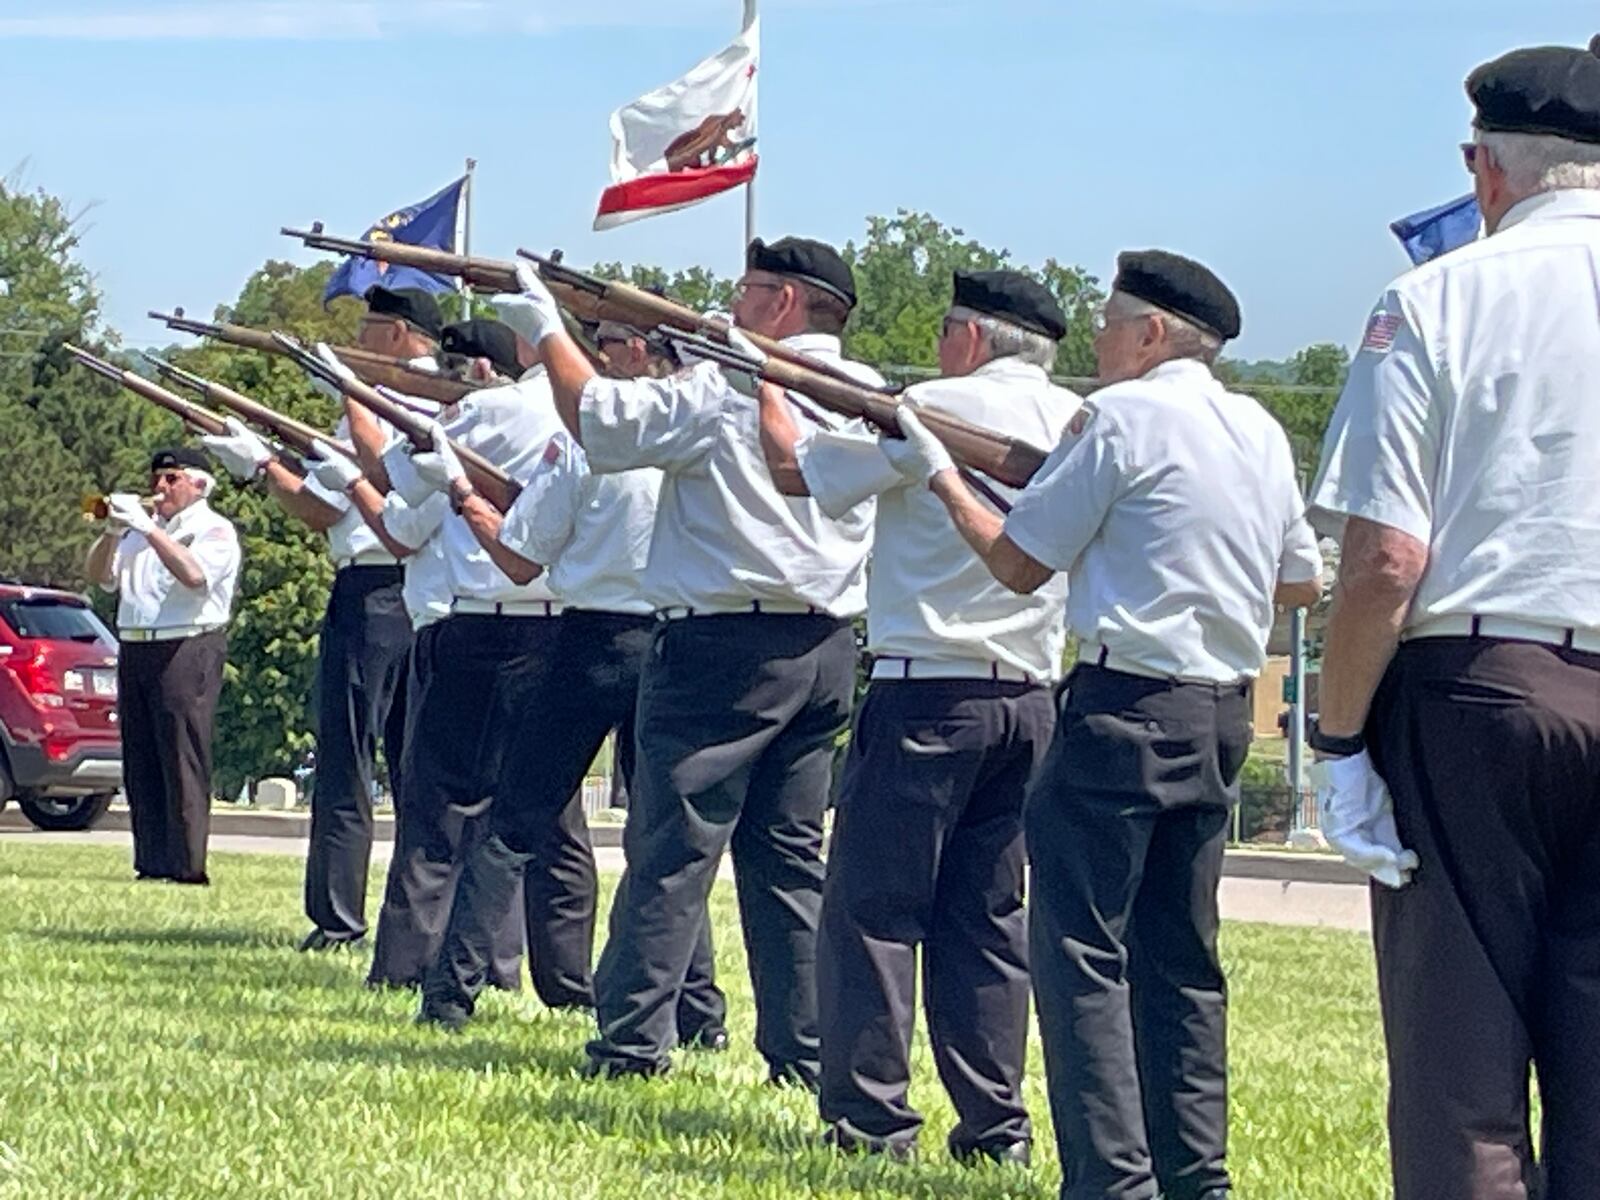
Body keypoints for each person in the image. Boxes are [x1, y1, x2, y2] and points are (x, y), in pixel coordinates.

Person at [892, 251, 1322, 1199]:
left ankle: (1110, 1181)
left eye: (1110, 324)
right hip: (1218, 713)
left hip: (1122, 704)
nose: (1096, 340)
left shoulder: (1120, 417)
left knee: (1083, 953)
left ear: (1153, 332)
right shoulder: (1258, 429)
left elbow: (1017, 565)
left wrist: (939, 474)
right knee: (1184, 961)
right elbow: (1300, 579)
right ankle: (1193, 1175)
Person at [1307, 38, 1600, 1200]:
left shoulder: (1438, 296)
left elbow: (1384, 557)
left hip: (1481, 681)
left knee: (1458, 1064)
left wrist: (1335, 745)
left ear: (1484, 170)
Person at [513, 237, 879, 1083]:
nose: (733, 300)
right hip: (824, 645)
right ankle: (802, 1050)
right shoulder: (867, 395)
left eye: (748, 289)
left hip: (720, 643)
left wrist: (545, 324)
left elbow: (600, 423)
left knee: (672, 848)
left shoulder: (723, 386)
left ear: (785, 301)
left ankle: (633, 1039)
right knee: (789, 862)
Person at [757, 269, 1080, 1162]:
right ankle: (995, 1126)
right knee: (989, 922)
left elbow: (802, 472)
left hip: (926, 689)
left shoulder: (929, 406)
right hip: (1030, 695)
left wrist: (769, 381)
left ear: (971, 337)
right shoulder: (1076, 418)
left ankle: (870, 1120)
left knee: (873, 913)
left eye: (945, 330)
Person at [200, 283, 439, 951]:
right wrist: (265, 467)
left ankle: (353, 919)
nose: (357, 338)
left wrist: (346, 392)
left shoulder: (414, 399)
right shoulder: (368, 401)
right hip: (380, 583)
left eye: (368, 326)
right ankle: (360, 917)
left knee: (364, 757)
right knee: (377, 757)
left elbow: (375, 476)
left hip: (393, 584)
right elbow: (327, 511)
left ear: (396, 334)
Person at [376, 317, 596, 1017]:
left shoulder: (481, 411)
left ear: (474, 370)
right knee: (551, 820)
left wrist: (380, 411)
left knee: (440, 804)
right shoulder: (560, 414)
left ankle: (410, 962)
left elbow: (400, 485)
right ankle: (555, 978)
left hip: (480, 624)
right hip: (558, 625)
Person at [85, 447, 241, 885]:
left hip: (187, 644)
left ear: (199, 484)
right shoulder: (140, 530)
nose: (159, 488)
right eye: (157, 478)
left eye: (172, 479)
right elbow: (100, 576)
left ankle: (187, 865)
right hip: (137, 644)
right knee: (141, 755)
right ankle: (151, 861)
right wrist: (113, 533)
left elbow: (194, 577)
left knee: (181, 753)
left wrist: (148, 530)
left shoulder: (213, 529)